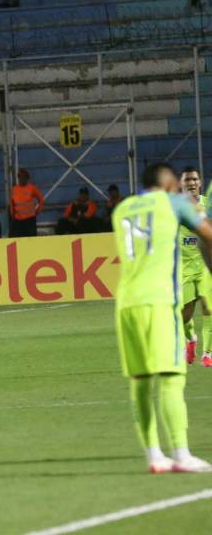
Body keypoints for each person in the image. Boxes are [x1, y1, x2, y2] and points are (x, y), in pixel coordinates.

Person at [112, 162, 212, 473]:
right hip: (158, 301)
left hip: (127, 303)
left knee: (140, 381)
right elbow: (207, 233)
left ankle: (154, 455)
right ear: (169, 182)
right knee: (171, 377)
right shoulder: (175, 202)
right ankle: (182, 454)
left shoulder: (122, 209)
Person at [177, 167, 211, 367]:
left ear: (200, 182)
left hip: (207, 265)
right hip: (185, 266)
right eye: (187, 180)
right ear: (182, 184)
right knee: (185, 314)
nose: (191, 183)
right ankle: (191, 340)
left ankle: (208, 354)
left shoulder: (209, 204)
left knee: (209, 308)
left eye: (194, 179)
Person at [9, 168, 44, 237]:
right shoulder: (14, 189)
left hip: (30, 220)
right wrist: (12, 214)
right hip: (18, 220)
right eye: (20, 177)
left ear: (27, 178)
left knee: (31, 240)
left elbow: (41, 199)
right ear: (18, 178)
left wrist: (37, 211)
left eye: (24, 177)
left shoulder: (32, 188)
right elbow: (11, 204)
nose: (22, 179)